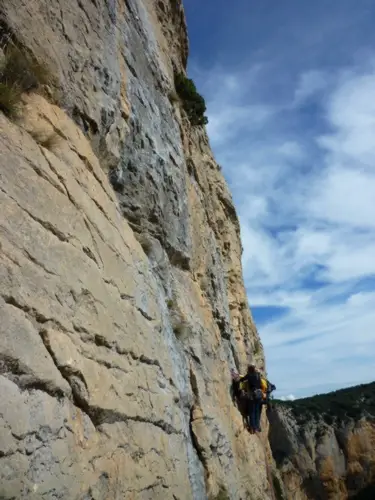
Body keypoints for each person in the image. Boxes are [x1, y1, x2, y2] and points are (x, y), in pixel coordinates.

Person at [240, 364, 263, 433]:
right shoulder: (258, 375)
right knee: (257, 412)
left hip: (252, 396)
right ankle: (257, 427)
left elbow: (242, 379)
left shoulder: (249, 375)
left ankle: (252, 428)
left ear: (249, 369)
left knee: (252, 412)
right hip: (259, 395)